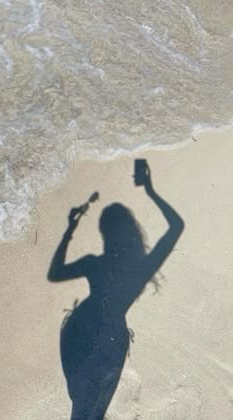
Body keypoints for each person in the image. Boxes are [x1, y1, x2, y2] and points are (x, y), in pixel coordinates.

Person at [48, 160, 184, 420]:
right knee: (91, 411)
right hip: (110, 339)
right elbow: (176, 226)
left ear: (104, 233)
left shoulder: (93, 263)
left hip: (80, 330)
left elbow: (55, 273)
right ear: (132, 234)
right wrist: (150, 190)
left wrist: (70, 229)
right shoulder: (139, 273)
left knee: (81, 404)